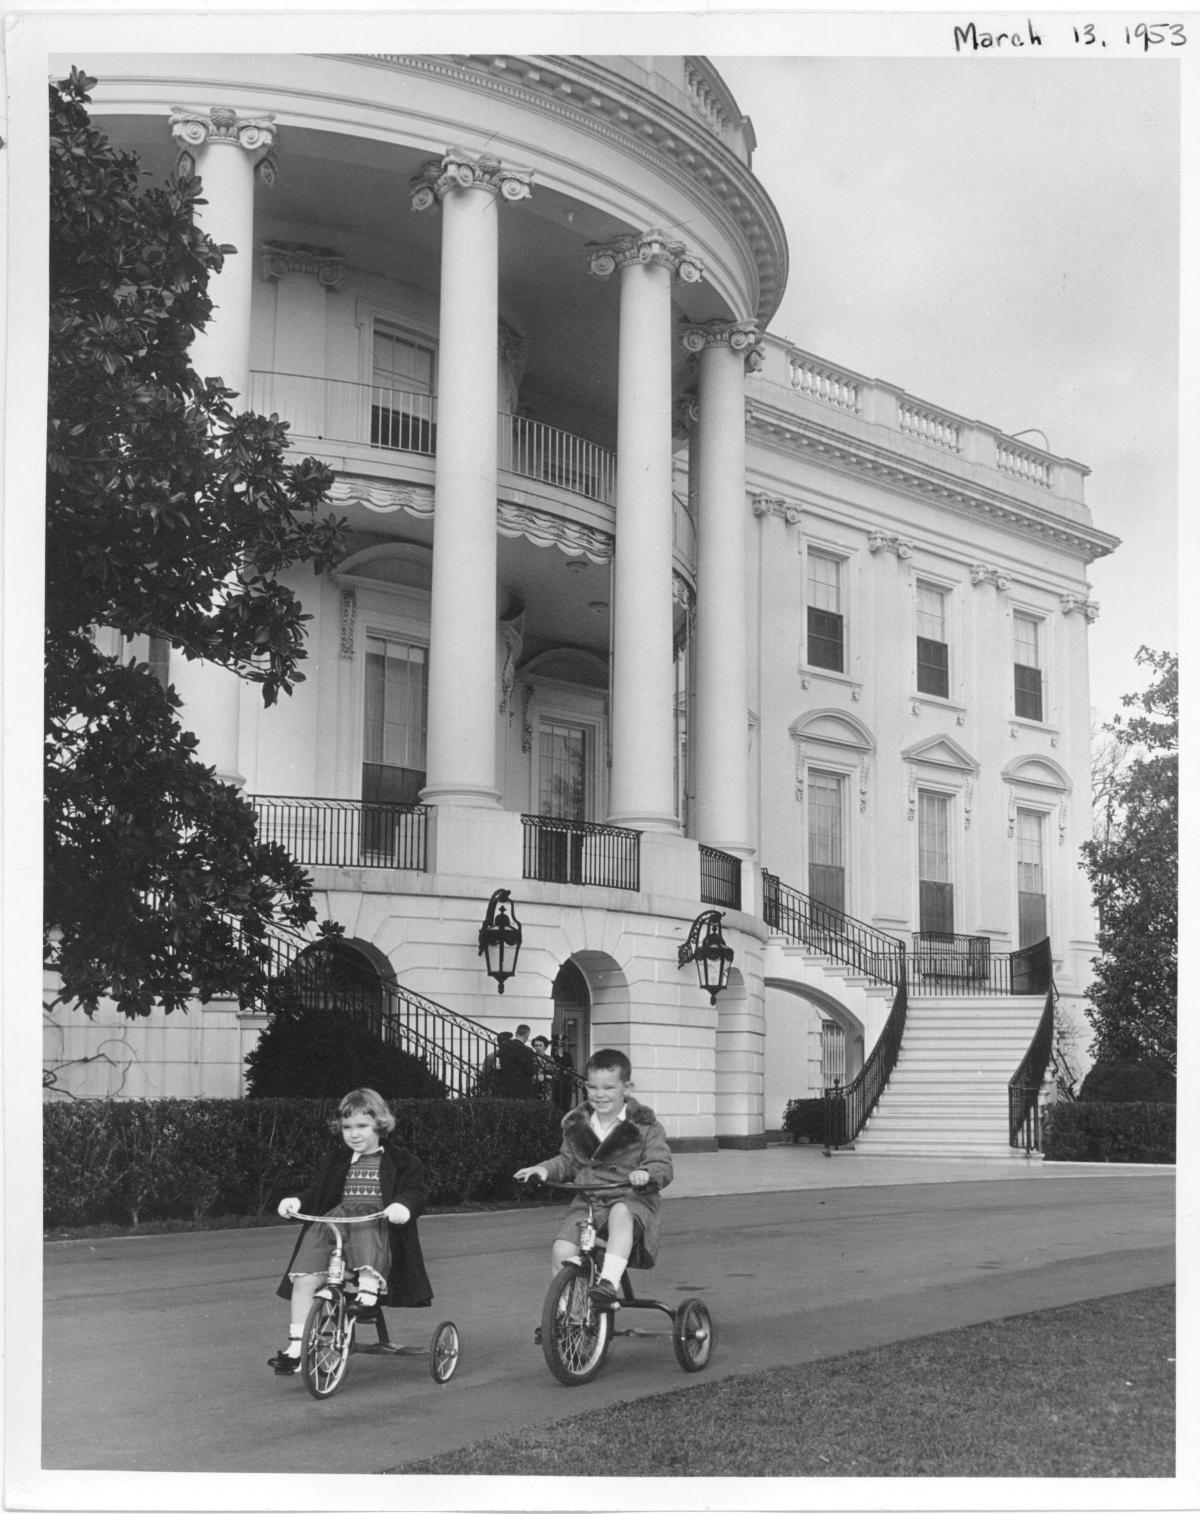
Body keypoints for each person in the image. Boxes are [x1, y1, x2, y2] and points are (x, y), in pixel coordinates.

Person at [268, 1087, 433, 1374]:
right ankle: (296, 1346)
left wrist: (403, 1206)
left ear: (379, 1125)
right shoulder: (335, 1160)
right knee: (304, 1276)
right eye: (347, 1127)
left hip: (377, 1222)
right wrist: (297, 1201)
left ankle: (367, 1292)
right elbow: (318, 1192)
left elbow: (416, 1191)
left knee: (368, 1231)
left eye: (362, 1126)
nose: (354, 1134)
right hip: (337, 1223)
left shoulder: (403, 1160)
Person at [515, 1048, 673, 1308]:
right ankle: (570, 1316)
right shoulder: (578, 1125)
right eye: (593, 1088)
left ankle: (608, 1283)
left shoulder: (645, 1127)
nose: (600, 1095)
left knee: (621, 1212)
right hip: (590, 1203)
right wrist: (543, 1169)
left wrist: (646, 1173)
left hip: (631, 1199)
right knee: (562, 1251)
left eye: (609, 1088)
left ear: (627, 1088)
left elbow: (662, 1163)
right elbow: (567, 1160)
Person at [496, 1022, 537, 1099]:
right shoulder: (527, 1050)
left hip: (506, 1084)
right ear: (527, 1035)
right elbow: (530, 1070)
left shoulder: (504, 1046)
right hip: (522, 1086)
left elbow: (498, 1065)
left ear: (516, 1033)